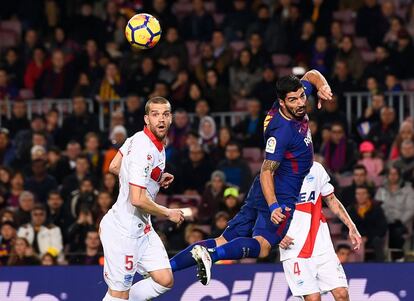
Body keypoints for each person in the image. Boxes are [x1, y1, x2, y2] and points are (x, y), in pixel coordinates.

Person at [170, 70, 333, 284]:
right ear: (282, 103)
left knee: (224, 239)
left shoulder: (293, 102)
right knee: (263, 246)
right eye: (293, 100)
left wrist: (322, 86)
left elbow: (311, 74)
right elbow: (267, 170)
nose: (301, 103)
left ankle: (167, 266)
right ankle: (211, 257)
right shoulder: (281, 131)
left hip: (260, 190)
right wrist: (274, 205)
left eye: (302, 96)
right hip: (279, 192)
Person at [100, 97, 184, 301]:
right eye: (155, 114)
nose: (161, 119)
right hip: (123, 233)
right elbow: (137, 199)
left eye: (165, 114)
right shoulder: (143, 149)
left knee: (164, 279)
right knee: (119, 294)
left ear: (171, 118)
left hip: (142, 228)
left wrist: (154, 176)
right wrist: (168, 213)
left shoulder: (140, 139)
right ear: (147, 119)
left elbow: (115, 166)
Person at [278, 162, 361, 301]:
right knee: (313, 298)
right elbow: (261, 210)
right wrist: (276, 235)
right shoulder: (275, 173)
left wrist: (351, 226)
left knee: (342, 294)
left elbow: (331, 198)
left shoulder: (316, 168)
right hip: (294, 247)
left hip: (321, 244)